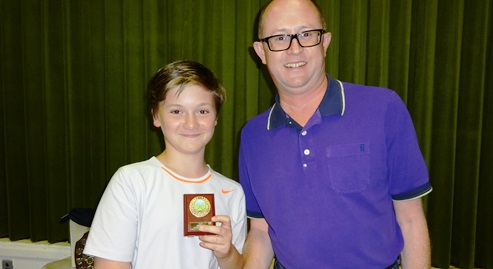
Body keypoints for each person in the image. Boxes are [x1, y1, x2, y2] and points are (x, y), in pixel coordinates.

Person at [239, 0, 433, 268]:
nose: (295, 49)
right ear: (261, 51)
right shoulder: (252, 137)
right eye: (280, 37)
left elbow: (411, 219)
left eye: (306, 34)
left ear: (325, 42)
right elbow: (260, 231)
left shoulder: (383, 108)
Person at [84, 60, 246, 269]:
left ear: (216, 118)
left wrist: (226, 254)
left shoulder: (232, 192)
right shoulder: (132, 182)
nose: (191, 123)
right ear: (155, 116)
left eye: (203, 111)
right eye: (176, 111)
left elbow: (238, 265)